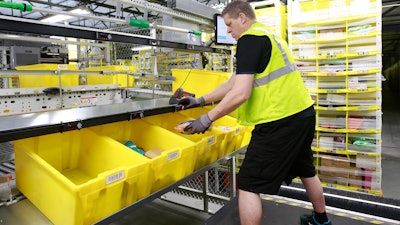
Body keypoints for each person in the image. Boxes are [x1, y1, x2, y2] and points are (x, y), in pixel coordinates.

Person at [178, 1, 332, 225]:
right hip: (302, 114)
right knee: (306, 169)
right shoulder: (269, 35)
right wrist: (201, 100)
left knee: (249, 183)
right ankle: (321, 220)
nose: (228, 31)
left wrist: (207, 119)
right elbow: (233, 82)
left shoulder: (249, 40)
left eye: (229, 25)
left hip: (278, 121)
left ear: (242, 18)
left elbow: (241, 93)